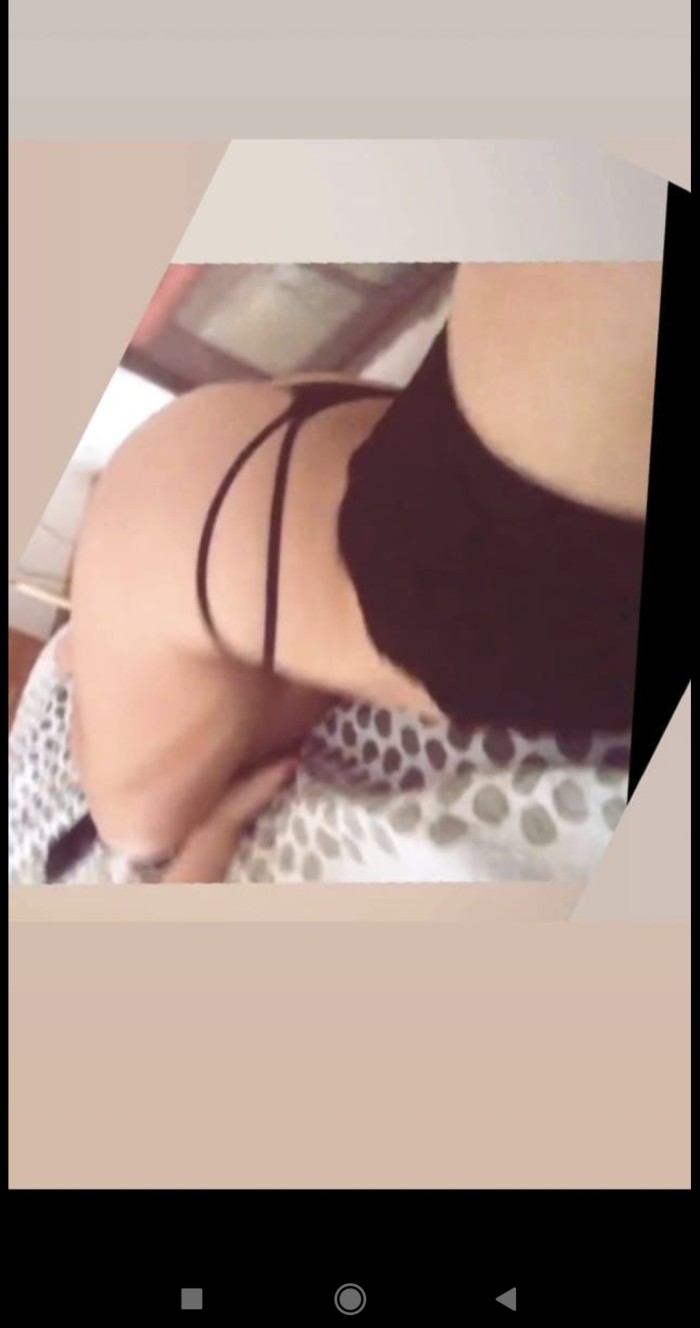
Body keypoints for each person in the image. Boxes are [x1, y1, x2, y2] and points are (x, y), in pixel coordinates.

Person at [61, 261, 660, 881]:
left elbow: (139, 836)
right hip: (291, 460)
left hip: (211, 506)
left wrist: (211, 833)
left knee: (132, 823)